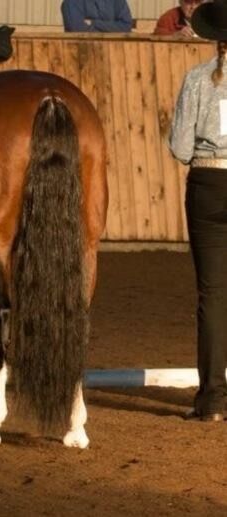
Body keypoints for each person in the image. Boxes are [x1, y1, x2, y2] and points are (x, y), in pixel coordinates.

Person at [169, 0, 227, 423]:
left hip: (208, 183)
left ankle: (211, 400)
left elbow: (181, 148)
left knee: (212, 294)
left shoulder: (196, 80)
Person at [61, 0, 132, 33]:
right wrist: (112, 28)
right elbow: (76, 30)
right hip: (82, 55)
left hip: (113, 55)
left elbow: (126, 26)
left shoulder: (117, 1)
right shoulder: (71, 3)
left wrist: (94, 23)